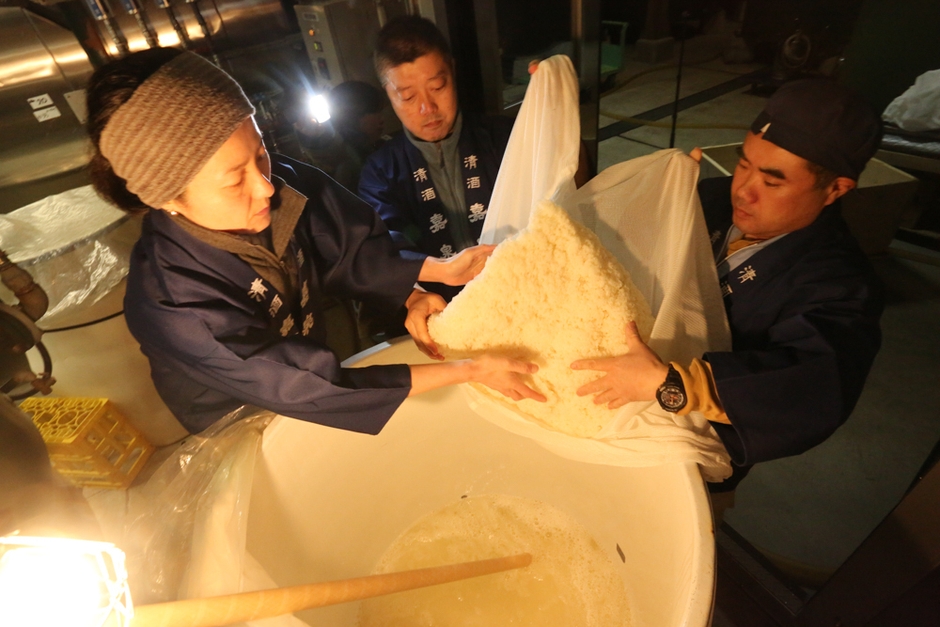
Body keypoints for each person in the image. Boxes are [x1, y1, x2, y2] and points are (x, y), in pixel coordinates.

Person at [86, 47, 545, 435]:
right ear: (168, 197)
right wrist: (471, 370)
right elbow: (302, 387)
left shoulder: (279, 183)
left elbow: (347, 246)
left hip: (315, 378)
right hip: (237, 418)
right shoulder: (172, 301)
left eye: (260, 151)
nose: (266, 185)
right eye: (233, 181)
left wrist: (416, 287)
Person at [571, 79, 885, 498]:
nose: (744, 190)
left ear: (835, 188)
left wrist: (675, 383)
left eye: (772, 182)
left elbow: (816, 387)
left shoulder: (841, 284)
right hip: (612, 396)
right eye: (743, 165)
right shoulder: (711, 199)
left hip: (684, 450)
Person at [357, 16, 515, 301]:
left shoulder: (506, 137)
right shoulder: (380, 172)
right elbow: (382, 247)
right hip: (444, 314)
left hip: (521, 295)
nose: (427, 108)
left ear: (452, 71)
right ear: (388, 95)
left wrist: (552, 103)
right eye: (407, 96)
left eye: (438, 86)